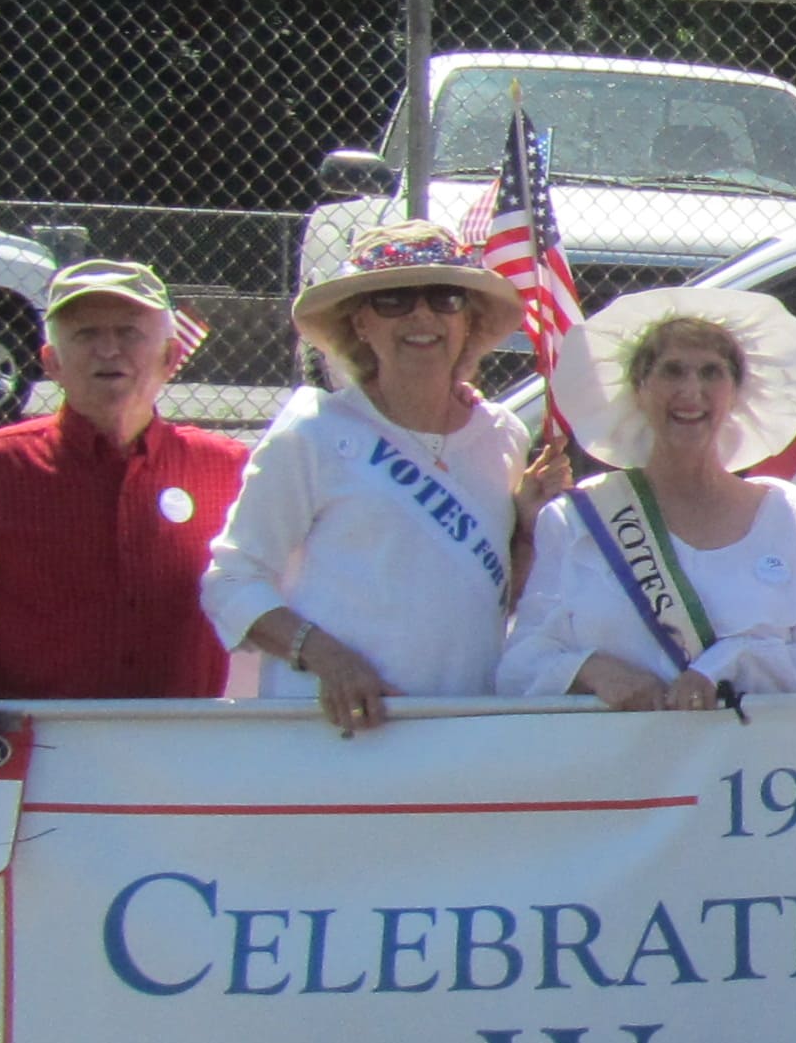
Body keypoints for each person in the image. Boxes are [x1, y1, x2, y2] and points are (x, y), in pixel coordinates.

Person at [0, 257, 248, 766]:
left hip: (182, 753)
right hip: (33, 752)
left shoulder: (229, 469)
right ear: (51, 361)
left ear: (169, 355)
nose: (108, 350)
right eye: (85, 334)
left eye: (129, 333)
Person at [203, 224, 560, 735]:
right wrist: (327, 657)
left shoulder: (501, 434)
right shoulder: (314, 431)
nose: (422, 316)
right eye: (393, 299)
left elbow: (495, 595)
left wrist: (527, 534)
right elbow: (231, 581)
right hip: (333, 735)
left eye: (444, 298)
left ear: (468, 321)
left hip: (462, 729)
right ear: (361, 323)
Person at [500, 293, 796, 704]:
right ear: (638, 387)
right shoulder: (577, 520)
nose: (691, 390)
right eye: (672, 372)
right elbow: (521, 665)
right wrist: (593, 672)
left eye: (711, 373)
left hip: (755, 764)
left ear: (738, 390)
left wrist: (733, 664)